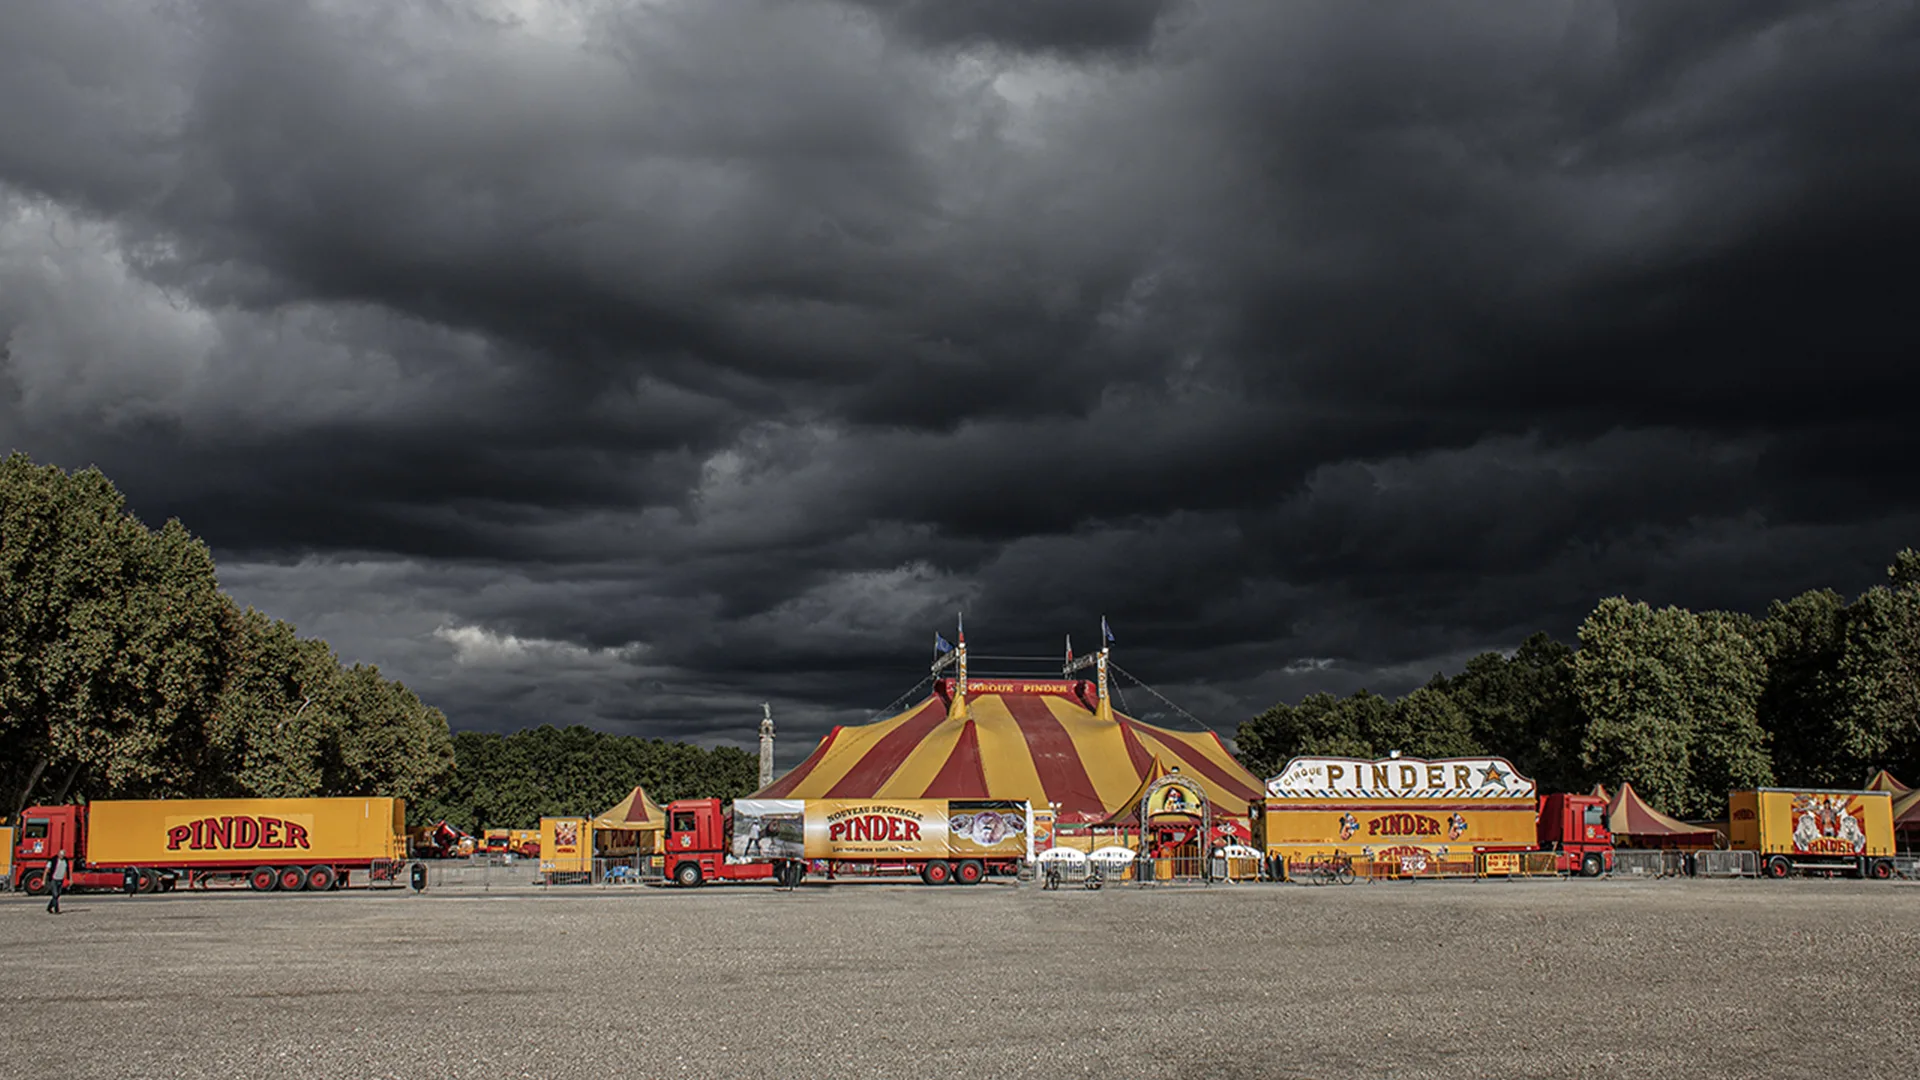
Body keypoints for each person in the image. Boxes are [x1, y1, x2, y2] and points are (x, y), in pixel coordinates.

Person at [47, 849, 69, 915]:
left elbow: (67, 870)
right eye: (61, 855)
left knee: (57, 895)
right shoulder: (53, 860)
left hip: (60, 879)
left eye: (63, 855)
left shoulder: (65, 860)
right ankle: (57, 910)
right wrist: (43, 880)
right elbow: (47, 870)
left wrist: (69, 879)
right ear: (58, 854)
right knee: (55, 894)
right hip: (54, 879)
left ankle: (49, 907)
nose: (62, 856)